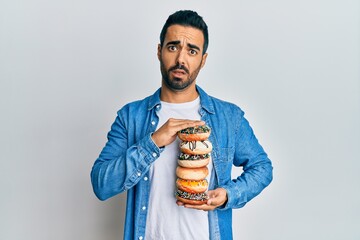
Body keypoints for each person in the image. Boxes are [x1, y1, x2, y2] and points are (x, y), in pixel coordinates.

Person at [91, 10, 273, 240]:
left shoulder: (228, 117)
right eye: (173, 47)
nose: (181, 59)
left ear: (203, 59)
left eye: (192, 50)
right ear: (159, 51)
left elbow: (262, 168)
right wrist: (153, 142)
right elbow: (101, 184)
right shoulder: (131, 117)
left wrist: (228, 194)